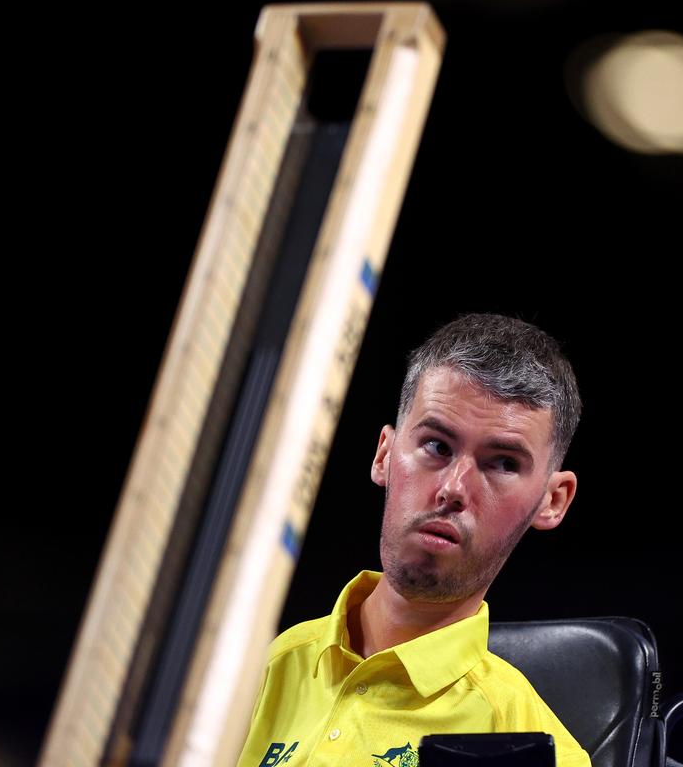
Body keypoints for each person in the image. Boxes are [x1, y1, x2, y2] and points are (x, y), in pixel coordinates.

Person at [237, 313, 589, 767]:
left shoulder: (540, 751)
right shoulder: (260, 671)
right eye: (437, 446)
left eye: (502, 463)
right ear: (385, 454)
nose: (454, 489)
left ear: (552, 500)